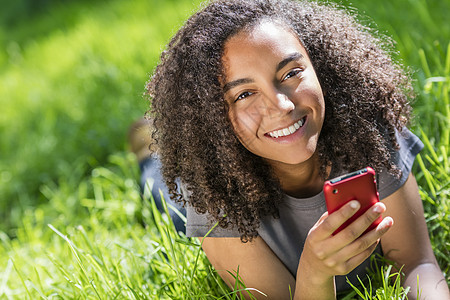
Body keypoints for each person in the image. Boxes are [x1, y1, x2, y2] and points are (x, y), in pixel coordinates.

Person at [145, 0, 449, 299]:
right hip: (194, 195)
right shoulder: (213, 194)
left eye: (291, 73)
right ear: (213, 117)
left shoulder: (366, 134)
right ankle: (144, 148)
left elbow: (416, 263)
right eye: (245, 94)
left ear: (321, 68)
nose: (282, 105)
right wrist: (315, 273)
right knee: (159, 185)